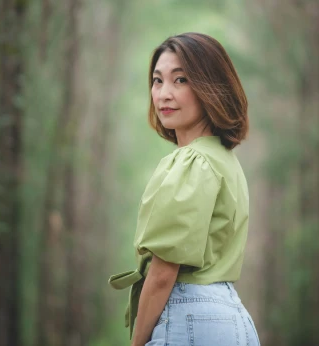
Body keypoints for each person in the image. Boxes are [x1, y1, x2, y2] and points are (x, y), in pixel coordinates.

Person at [109, 33, 260, 346]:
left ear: (210, 88)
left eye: (180, 80)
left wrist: (137, 343)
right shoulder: (225, 160)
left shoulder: (192, 162)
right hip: (233, 320)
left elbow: (164, 272)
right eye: (157, 80)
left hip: (190, 320)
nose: (164, 94)